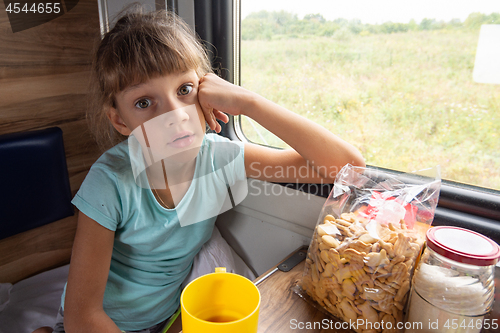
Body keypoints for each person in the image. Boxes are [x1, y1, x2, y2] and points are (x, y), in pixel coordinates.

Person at [33, 7, 365, 333]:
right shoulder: (109, 182)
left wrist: (250, 103)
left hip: (167, 318)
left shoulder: (219, 156)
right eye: (144, 103)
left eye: (184, 90)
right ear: (120, 120)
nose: (175, 114)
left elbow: (347, 167)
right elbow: (83, 316)